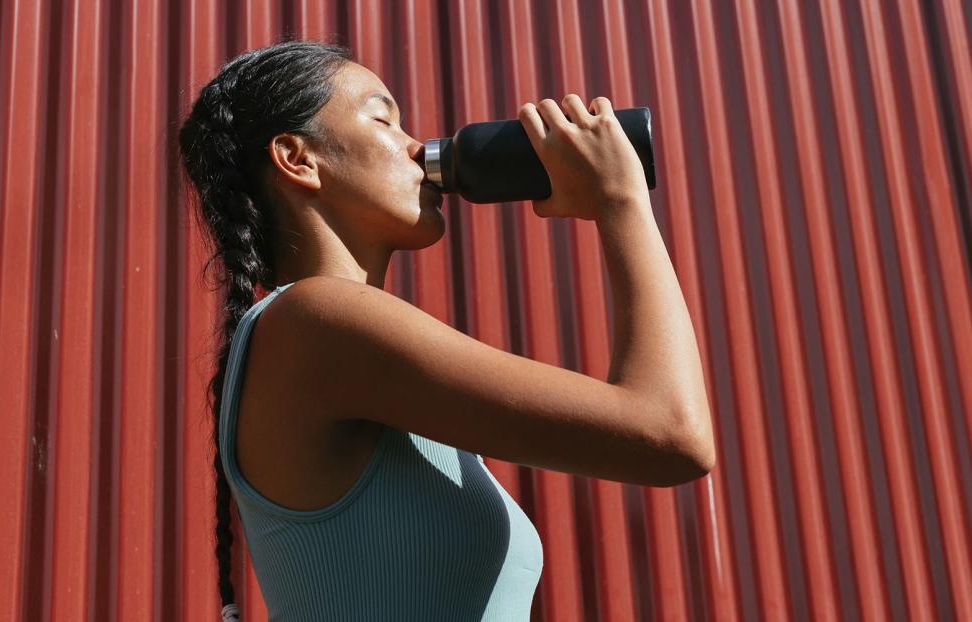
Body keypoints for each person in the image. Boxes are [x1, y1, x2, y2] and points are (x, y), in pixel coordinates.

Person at [177, 39, 714, 621]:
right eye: (384, 118)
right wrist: (620, 200)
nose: (418, 147)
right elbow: (670, 434)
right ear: (298, 158)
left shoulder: (336, 343)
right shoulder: (319, 322)